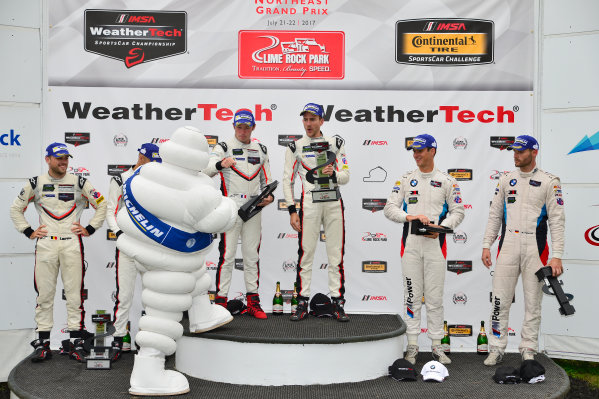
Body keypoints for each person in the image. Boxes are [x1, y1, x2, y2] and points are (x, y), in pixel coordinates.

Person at [9, 142, 107, 362]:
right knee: (44, 295)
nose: (63, 162)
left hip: (72, 243)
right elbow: (15, 209)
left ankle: (75, 341)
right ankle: (43, 344)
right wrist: (28, 231)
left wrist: (90, 228)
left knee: (74, 295)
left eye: (66, 158)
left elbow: (102, 204)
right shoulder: (36, 183)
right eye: (59, 158)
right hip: (46, 244)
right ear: (48, 160)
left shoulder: (79, 182)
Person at [481, 135, 565, 366]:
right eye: (514, 151)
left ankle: (528, 348)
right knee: (499, 300)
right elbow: (495, 214)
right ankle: (497, 347)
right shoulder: (506, 179)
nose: (515, 155)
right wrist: (487, 244)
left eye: (521, 151)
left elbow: (557, 221)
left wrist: (557, 255)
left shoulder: (550, 181)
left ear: (533, 152)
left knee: (533, 302)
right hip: (507, 244)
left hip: (536, 248)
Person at [383, 134, 464, 365]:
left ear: (432, 151)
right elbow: (389, 208)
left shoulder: (447, 181)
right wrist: (409, 216)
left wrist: (441, 227)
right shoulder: (406, 179)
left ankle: (437, 347)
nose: (416, 154)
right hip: (410, 247)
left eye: (421, 150)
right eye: (414, 151)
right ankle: (412, 346)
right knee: (411, 297)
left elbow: (458, 211)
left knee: (435, 299)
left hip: (435, 247)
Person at [282, 103, 350, 322]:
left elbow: (346, 175)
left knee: (335, 254)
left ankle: (338, 302)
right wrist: (292, 210)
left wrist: (334, 175)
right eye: (306, 119)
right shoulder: (295, 146)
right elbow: (287, 180)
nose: (309, 124)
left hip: (333, 202)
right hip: (309, 203)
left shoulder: (336, 143)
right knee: (306, 253)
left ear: (322, 121)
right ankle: (302, 302)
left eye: (313, 119)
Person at [203, 110, 274, 319]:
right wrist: (219, 164)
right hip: (231, 208)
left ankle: (253, 302)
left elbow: (267, 182)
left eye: (247, 127)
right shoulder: (224, 147)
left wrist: (269, 198)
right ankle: (221, 303)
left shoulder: (261, 149)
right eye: (239, 127)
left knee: (252, 256)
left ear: (253, 127)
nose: (242, 131)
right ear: (234, 126)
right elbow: (206, 170)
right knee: (227, 257)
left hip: (254, 208)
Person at [106, 143, 161, 361]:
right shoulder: (120, 179)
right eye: (151, 160)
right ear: (140, 157)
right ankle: (120, 338)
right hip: (127, 245)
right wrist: (119, 234)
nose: (154, 165)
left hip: (149, 245)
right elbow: (111, 210)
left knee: (151, 295)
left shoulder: (156, 181)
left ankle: (148, 339)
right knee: (125, 295)